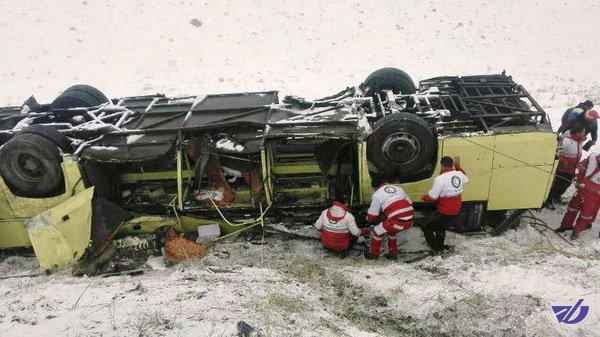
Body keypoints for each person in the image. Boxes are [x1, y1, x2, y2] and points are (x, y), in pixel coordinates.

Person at [421, 156, 468, 254]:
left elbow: (432, 197)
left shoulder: (440, 179)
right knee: (440, 226)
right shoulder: (459, 174)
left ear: (441, 166)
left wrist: (424, 197)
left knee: (427, 227)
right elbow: (466, 179)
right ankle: (440, 246)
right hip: (457, 209)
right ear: (452, 165)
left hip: (445, 211)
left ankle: (435, 249)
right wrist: (458, 166)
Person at [364, 175, 414, 260]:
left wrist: (367, 219)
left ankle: (374, 254)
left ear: (375, 187)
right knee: (391, 231)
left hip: (398, 221)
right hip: (410, 219)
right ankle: (392, 254)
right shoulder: (397, 188)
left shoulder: (377, 194)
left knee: (377, 231)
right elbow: (410, 202)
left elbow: (372, 215)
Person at [557, 152, 600, 239]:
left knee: (586, 214)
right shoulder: (593, 156)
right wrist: (579, 180)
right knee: (572, 208)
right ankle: (565, 226)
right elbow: (583, 168)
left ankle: (576, 232)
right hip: (582, 187)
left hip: (595, 194)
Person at [546, 124, 587, 207]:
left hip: (572, 168)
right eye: (583, 132)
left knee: (566, 184)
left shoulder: (580, 140)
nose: (585, 134)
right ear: (578, 133)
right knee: (556, 185)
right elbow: (556, 153)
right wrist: (563, 161)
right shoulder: (566, 141)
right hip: (562, 168)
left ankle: (557, 197)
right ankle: (549, 201)